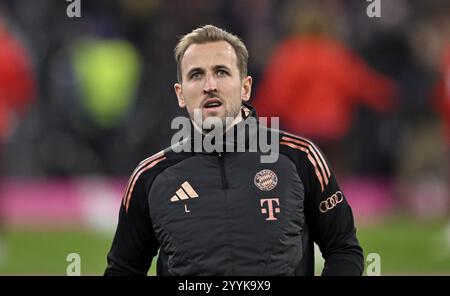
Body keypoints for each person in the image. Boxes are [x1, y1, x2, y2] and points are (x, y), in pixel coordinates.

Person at [104, 25, 364, 276]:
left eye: (221, 72)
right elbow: (123, 269)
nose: (210, 85)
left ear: (246, 87)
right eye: (196, 75)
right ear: (180, 94)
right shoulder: (150, 177)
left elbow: (343, 249)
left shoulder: (300, 158)